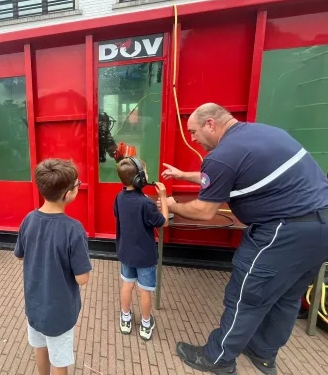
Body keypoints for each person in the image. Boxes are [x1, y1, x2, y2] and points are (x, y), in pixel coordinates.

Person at [158, 103, 328, 375]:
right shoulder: (262, 134)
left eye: (193, 132)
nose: (193, 139)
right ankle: (263, 354)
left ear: (210, 124)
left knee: (246, 297)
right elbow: (223, 175)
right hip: (320, 228)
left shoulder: (223, 154)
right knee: (286, 298)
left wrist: (172, 204)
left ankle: (218, 358)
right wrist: (182, 175)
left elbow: (204, 210)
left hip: (282, 232)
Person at [14, 158, 93, 375]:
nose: (79, 186)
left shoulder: (28, 219)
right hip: (60, 311)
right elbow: (82, 279)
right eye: (78, 185)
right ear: (68, 194)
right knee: (60, 359)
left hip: (34, 306)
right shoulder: (74, 229)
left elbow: (20, 256)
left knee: (40, 348)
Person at [114, 157, 169, 341]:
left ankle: (126, 318)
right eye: (145, 173)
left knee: (127, 285)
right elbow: (163, 222)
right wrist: (162, 197)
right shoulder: (146, 204)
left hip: (126, 252)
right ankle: (146, 324)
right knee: (144, 291)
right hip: (145, 256)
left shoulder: (119, 197)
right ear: (140, 180)